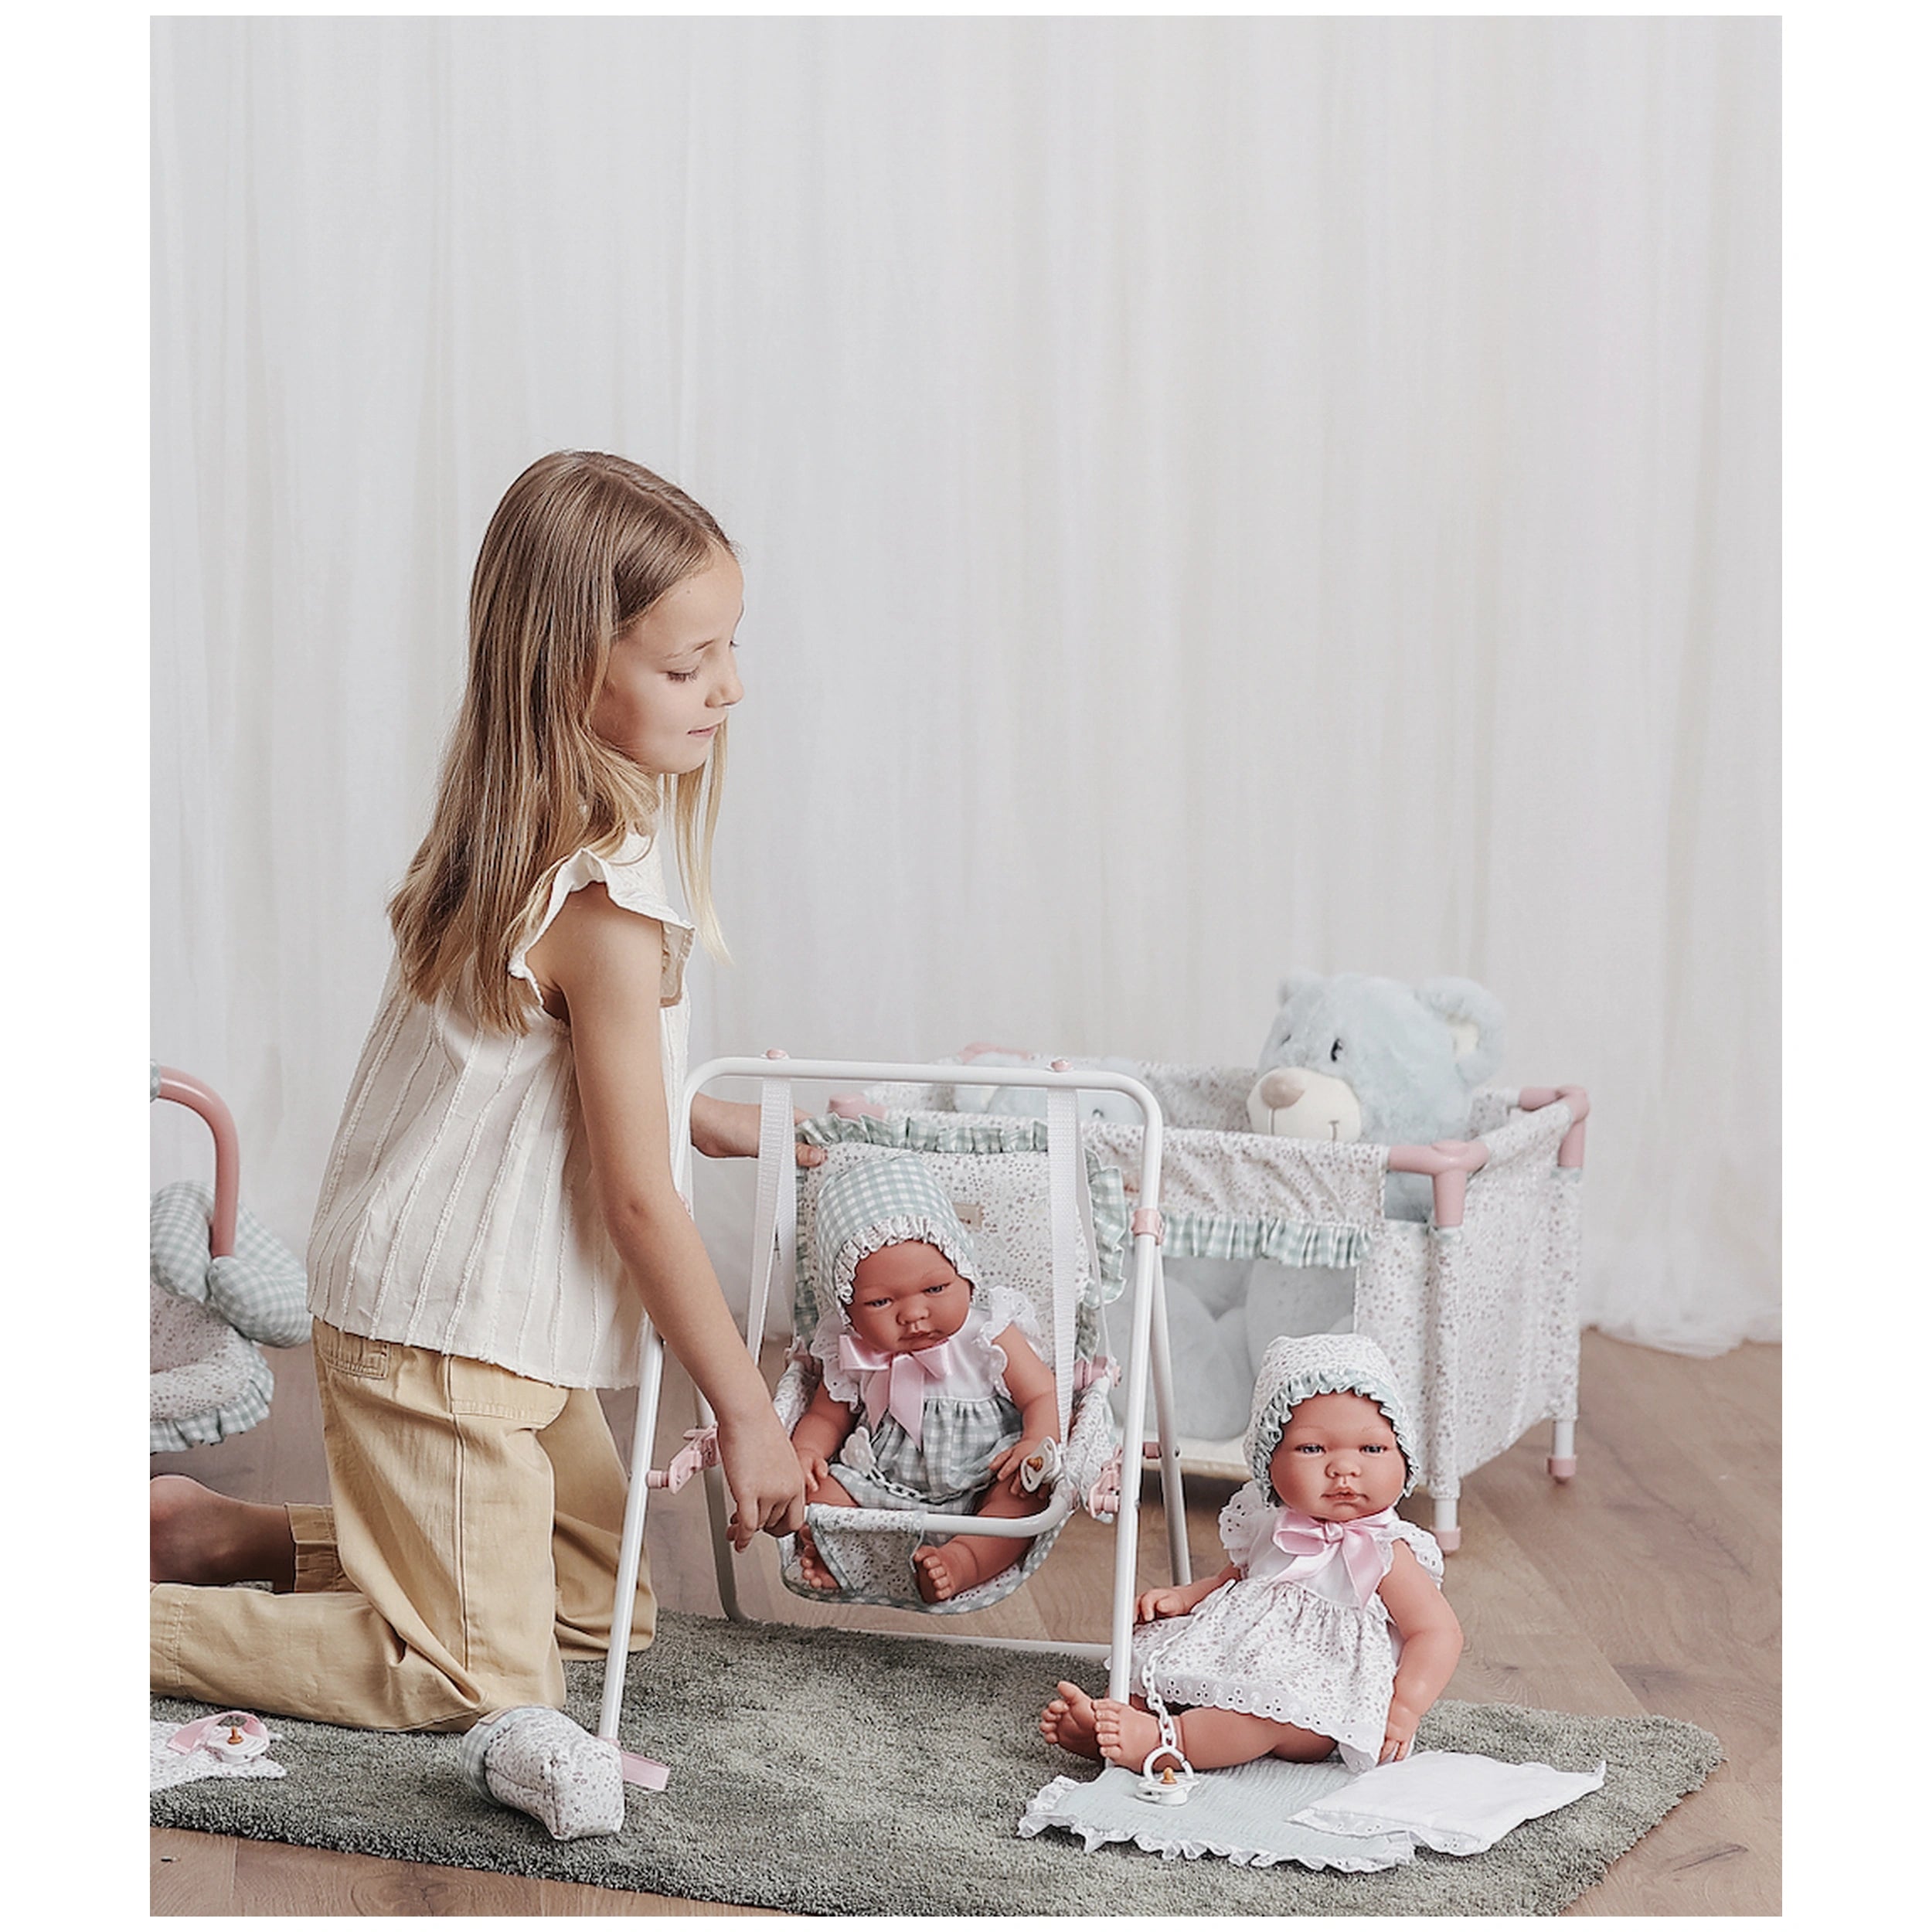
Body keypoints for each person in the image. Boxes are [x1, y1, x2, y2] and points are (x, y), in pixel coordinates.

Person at [151, 453, 811, 1811]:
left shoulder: (529, 834)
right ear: (576, 671)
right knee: (466, 1679)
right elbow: (636, 1200)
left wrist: (727, 1122)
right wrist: (745, 1410)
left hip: (494, 1325)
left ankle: (237, 1534)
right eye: (691, 666)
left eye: (730, 649)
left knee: (596, 1614)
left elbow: (551, 1084)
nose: (730, 688)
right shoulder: (600, 897)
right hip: (443, 1330)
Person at [1040, 1332, 1462, 1774]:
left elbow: (1437, 1633)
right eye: (1313, 1449)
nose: (1344, 1468)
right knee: (1159, 1664)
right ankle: (1112, 1720)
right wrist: (1187, 1598)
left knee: (1255, 1719)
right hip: (1241, 1653)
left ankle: (1166, 1742)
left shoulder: (1385, 1550)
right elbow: (1238, 1580)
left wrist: (1405, 1706)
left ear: (1403, 1457)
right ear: (1269, 1463)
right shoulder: (1270, 1523)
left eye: (1372, 1449)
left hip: (1312, 1697)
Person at [788, 1155, 1060, 1604]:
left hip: (982, 1479)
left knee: (1022, 1499)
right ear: (848, 1310)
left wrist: (1036, 1440)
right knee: (817, 1497)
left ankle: (962, 1562)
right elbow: (825, 1415)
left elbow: (1042, 1392)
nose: (913, 1315)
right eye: (880, 1303)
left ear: (965, 1278)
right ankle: (848, 1556)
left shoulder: (987, 1332)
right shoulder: (852, 1350)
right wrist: (805, 1452)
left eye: (935, 1290)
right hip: (881, 1482)